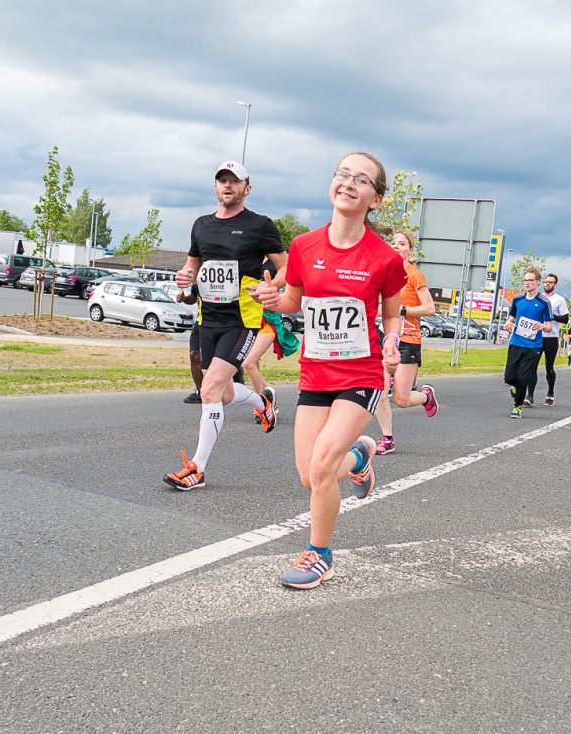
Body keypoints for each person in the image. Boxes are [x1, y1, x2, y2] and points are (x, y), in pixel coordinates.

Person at [253, 151, 406, 589]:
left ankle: (319, 555)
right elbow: (293, 302)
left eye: (361, 179)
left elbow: (392, 315)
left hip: (361, 375)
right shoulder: (303, 246)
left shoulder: (384, 259)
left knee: (322, 468)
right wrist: (272, 301)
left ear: (375, 199)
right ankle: (360, 455)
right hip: (315, 373)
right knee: (310, 474)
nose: (348, 183)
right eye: (342, 174)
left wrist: (392, 342)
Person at [163, 161, 287, 490]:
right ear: (215, 188)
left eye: (235, 181)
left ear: (247, 188)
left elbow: (286, 265)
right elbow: (191, 268)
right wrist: (183, 277)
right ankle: (264, 402)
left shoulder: (260, 225)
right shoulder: (201, 225)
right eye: (222, 180)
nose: (227, 185)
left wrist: (271, 287)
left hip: (242, 321)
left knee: (209, 390)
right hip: (208, 321)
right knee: (226, 391)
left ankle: (196, 470)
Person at [373, 230, 438, 455]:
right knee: (379, 390)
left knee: (401, 399)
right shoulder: (383, 272)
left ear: (410, 250)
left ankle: (426, 397)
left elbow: (430, 308)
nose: (396, 246)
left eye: (401, 244)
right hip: (383, 337)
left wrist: (400, 310)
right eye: (393, 243)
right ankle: (387, 438)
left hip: (408, 339)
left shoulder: (414, 274)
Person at [243, 258, 300, 422]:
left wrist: (271, 293)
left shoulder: (278, 261)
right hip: (249, 318)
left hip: (269, 320)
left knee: (248, 363)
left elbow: (289, 289)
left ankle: (261, 405)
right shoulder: (247, 257)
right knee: (254, 364)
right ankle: (269, 396)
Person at [503, 267, 553, 418]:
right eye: (525, 280)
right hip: (516, 342)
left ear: (538, 282)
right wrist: (508, 323)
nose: (527, 283)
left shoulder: (544, 302)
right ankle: (515, 387)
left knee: (523, 378)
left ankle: (517, 407)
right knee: (509, 377)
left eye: (531, 280)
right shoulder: (518, 299)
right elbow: (511, 317)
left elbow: (550, 326)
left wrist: (543, 326)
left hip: (533, 346)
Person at [527, 273, 569, 406]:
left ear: (555, 285)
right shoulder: (537, 298)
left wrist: (551, 315)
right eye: (546, 282)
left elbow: (565, 319)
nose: (547, 284)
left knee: (549, 367)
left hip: (551, 337)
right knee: (532, 366)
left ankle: (550, 392)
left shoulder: (559, 300)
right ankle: (530, 396)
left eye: (550, 282)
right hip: (537, 336)